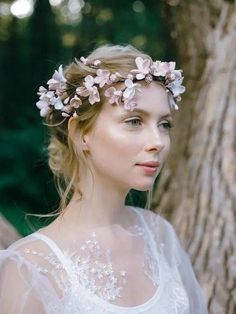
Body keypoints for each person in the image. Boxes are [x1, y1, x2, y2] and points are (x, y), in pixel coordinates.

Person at [0, 44, 207, 313]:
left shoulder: (160, 235)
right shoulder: (28, 268)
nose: (158, 141)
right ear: (80, 134)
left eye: (164, 124)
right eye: (134, 121)